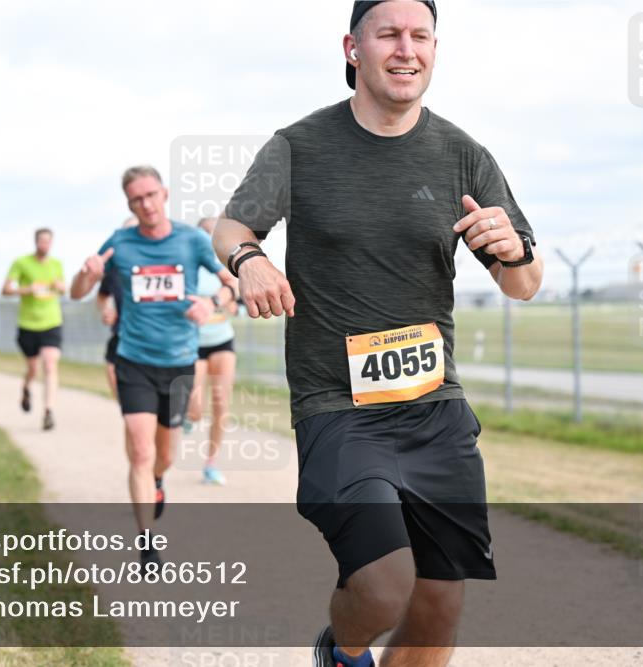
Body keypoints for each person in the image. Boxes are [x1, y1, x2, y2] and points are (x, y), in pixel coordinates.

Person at [212, 2, 544, 666]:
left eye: (420, 35)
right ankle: (342, 649)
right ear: (353, 48)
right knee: (384, 583)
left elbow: (524, 282)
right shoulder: (299, 145)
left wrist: (513, 250)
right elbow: (229, 227)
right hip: (339, 409)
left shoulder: (462, 155)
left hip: (436, 407)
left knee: (440, 604)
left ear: (434, 50)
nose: (406, 48)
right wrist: (249, 262)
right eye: (388, 33)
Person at [70, 166, 238, 568]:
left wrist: (212, 303)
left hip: (179, 363)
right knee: (140, 450)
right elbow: (78, 292)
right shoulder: (120, 243)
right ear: (129, 204)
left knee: (164, 455)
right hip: (134, 361)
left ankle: (158, 482)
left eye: (150, 195)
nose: (144, 205)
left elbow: (231, 283)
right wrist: (85, 275)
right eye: (135, 200)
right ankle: (147, 543)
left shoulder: (191, 239)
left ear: (164, 194)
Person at [184, 217, 238, 486]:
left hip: (222, 340)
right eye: (206, 233)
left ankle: (211, 463)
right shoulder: (190, 265)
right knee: (194, 408)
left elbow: (235, 291)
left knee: (221, 404)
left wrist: (232, 304)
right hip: (194, 342)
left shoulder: (225, 266)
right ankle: (187, 417)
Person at [2, 228, 65, 431]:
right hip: (28, 324)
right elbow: (5, 290)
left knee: (50, 364)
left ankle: (48, 411)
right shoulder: (21, 263)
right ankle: (26, 387)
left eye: (48, 241)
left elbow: (65, 289)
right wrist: (27, 289)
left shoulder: (56, 265)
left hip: (52, 322)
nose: (44, 245)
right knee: (33, 369)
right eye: (41, 241)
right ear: (36, 242)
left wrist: (60, 286)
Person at [97, 216, 139, 397]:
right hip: (120, 333)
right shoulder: (114, 269)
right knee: (113, 376)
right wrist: (106, 309)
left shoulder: (160, 265)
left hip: (150, 338)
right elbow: (102, 295)